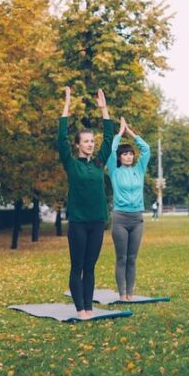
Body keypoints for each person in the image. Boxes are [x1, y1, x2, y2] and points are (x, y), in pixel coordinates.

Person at [57, 86, 113, 319]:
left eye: (92, 141)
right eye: (86, 141)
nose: (91, 144)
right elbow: (61, 137)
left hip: (98, 222)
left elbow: (109, 138)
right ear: (78, 144)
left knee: (90, 268)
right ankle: (80, 309)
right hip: (79, 223)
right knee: (77, 267)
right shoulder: (71, 163)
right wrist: (67, 105)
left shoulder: (99, 163)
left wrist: (104, 110)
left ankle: (89, 307)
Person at [107, 117, 151, 301]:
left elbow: (146, 149)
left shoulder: (139, 170)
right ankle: (122, 293)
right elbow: (109, 149)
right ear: (119, 157)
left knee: (132, 258)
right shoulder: (114, 171)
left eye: (130, 154)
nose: (128, 156)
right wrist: (119, 133)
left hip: (137, 219)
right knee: (122, 258)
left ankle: (131, 293)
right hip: (120, 219)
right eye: (124, 154)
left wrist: (130, 132)